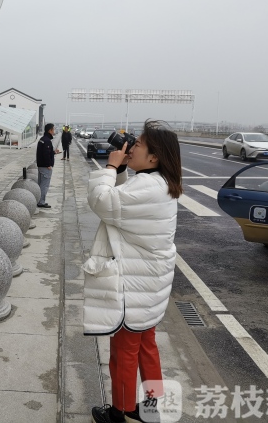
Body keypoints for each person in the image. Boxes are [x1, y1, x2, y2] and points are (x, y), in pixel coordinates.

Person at [85, 119, 183, 423]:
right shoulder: (159, 182)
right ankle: (153, 408)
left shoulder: (148, 188)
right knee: (146, 348)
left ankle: (121, 412)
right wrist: (124, 169)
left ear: (153, 157)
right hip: (150, 287)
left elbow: (103, 201)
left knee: (123, 353)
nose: (131, 146)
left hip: (135, 289)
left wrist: (110, 167)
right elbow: (125, 203)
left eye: (137, 144)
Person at [36, 123, 60, 208]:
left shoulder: (42, 139)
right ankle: (41, 202)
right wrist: (48, 165)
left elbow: (45, 152)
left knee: (40, 184)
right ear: (50, 130)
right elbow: (45, 154)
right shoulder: (47, 141)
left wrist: (53, 152)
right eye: (53, 129)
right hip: (45, 167)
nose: (54, 131)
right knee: (44, 185)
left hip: (41, 166)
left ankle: (39, 200)